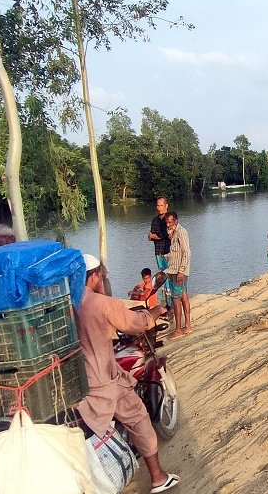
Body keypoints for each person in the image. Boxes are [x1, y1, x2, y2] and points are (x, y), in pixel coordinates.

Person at [76, 254, 179, 494]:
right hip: (102, 380)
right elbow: (134, 323)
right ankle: (157, 477)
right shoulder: (100, 303)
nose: (101, 279)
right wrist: (154, 312)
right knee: (138, 416)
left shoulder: (66, 302)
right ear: (93, 276)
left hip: (77, 381)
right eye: (100, 275)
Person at [163, 211, 191, 339]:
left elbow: (187, 252)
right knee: (183, 296)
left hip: (179, 272)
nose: (168, 225)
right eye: (167, 222)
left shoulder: (181, 232)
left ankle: (178, 329)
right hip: (173, 270)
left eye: (170, 222)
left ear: (176, 221)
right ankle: (188, 326)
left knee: (175, 298)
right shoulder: (174, 233)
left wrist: (181, 270)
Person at [147, 197, 171, 309]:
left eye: (161, 205)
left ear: (166, 206)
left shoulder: (169, 219)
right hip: (158, 252)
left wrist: (154, 236)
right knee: (162, 277)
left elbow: (165, 235)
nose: (159, 208)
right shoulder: (155, 220)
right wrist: (154, 236)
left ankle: (172, 303)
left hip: (169, 252)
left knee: (170, 277)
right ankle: (167, 302)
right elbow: (150, 236)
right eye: (158, 205)